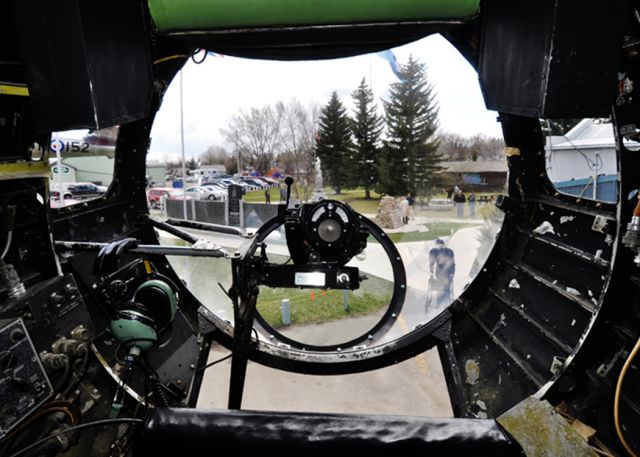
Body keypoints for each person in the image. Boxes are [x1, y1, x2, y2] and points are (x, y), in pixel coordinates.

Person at [427, 238, 456, 309]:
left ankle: (446, 303)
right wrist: (431, 272)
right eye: (438, 245)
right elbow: (432, 262)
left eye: (441, 245)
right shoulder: (434, 251)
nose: (440, 247)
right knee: (440, 287)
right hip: (439, 272)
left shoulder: (450, 251)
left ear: (443, 245)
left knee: (447, 287)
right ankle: (439, 303)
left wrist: (452, 272)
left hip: (448, 272)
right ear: (437, 245)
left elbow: (453, 263)